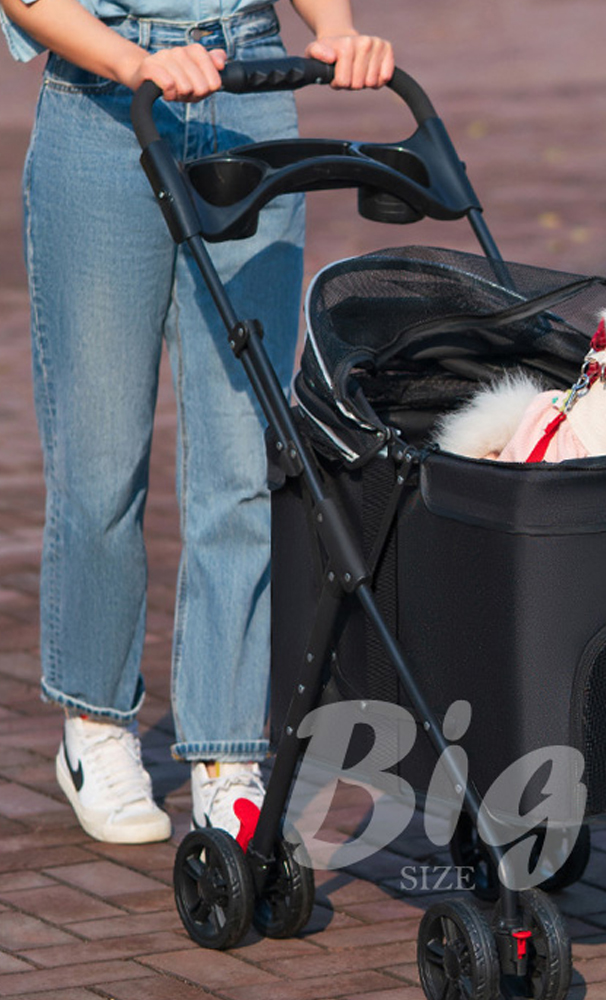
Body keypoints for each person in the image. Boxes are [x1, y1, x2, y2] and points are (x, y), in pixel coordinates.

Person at [0, 0, 392, 843]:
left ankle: (228, 751)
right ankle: (95, 725)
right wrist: (130, 62)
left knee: (242, 465)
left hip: (250, 98)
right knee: (101, 466)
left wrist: (334, 28)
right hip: (102, 114)